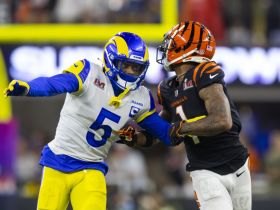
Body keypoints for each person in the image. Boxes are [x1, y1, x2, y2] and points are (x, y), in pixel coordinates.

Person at [4, 32, 179, 210]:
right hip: (57, 162)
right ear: (111, 60)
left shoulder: (141, 97)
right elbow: (54, 84)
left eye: (137, 68)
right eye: (126, 65)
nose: (131, 72)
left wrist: (178, 112)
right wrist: (29, 88)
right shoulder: (88, 72)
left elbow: (165, 133)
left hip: (92, 167)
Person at [120, 21, 252, 210]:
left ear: (186, 47)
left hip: (238, 166)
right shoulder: (166, 88)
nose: (166, 48)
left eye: (171, 43)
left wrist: (181, 128)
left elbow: (222, 120)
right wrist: (132, 137)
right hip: (205, 170)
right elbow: (165, 135)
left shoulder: (204, 73)